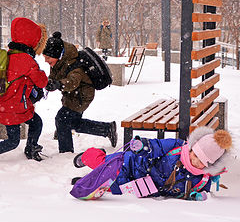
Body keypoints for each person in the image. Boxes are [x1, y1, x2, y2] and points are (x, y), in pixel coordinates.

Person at [72, 126, 233, 200]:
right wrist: (143, 146)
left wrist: (197, 196)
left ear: (210, 165)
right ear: (192, 146)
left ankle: (87, 183)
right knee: (103, 164)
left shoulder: (201, 179)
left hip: (139, 187)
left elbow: (201, 193)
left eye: (202, 161)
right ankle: (88, 156)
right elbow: (156, 146)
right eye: (195, 154)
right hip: (132, 164)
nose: (195, 161)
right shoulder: (177, 147)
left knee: (111, 187)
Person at [42, 32, 117, 154]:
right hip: (73, 94)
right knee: (74, 123)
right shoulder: (59, 61)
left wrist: (59, 84)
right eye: (45, 57)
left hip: (80, 96)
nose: (46, 60)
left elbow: (72, 82)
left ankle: (66, 152)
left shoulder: (74, 64)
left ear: (57, 55)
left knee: (62, 119)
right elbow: (55, 76)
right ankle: (106, 129)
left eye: (48, 58)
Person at [0, 17, 48, 161]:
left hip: (6, 104)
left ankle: (31, 149)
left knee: (34, 123)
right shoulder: (27, 60)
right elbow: (41, 82)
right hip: (16, 108)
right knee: (14, 140)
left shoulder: (9, 55)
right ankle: (31, 148)